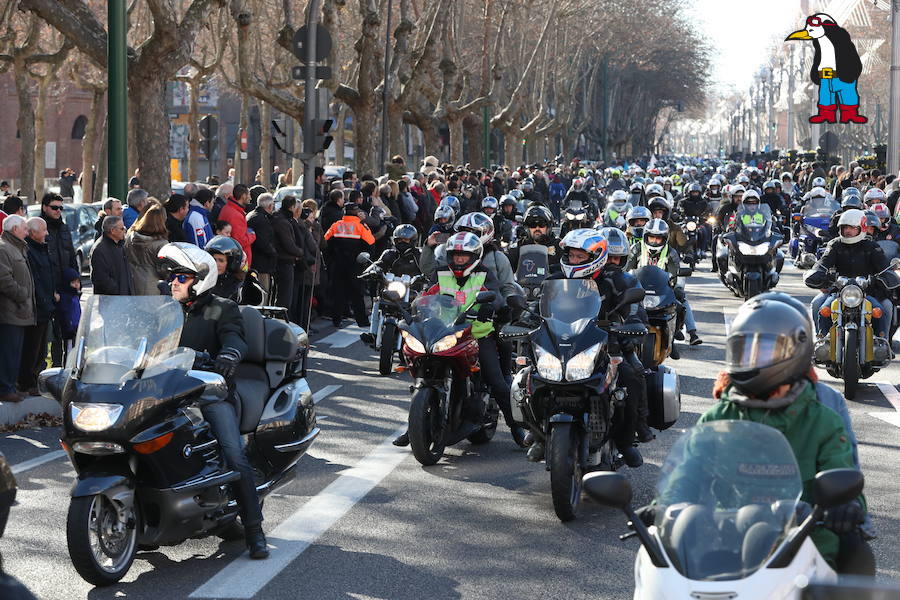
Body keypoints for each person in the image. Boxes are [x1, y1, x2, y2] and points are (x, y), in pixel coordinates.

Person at [678, 297, 874, 575]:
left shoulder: (822, 421)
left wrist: (846, 507)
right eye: (745, 350)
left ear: (796, 352)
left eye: (764, 350)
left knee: (856, 554)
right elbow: (687, 475)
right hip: (723, 546)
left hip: (806, 549)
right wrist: (662, 508)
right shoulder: (719, 417)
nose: (751, 360)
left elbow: (842, 472)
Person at [156, 242, 269, 559]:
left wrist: (230, 354)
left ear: (200, 280)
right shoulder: (166, 309)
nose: (173, 282)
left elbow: (235, 335)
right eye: (173, 276)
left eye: (181, 277)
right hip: (165, 393)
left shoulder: (222, 307)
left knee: (234, 454)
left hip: (209, 392)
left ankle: (253, 530)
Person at [393, 232, 525, 448]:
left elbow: (495, 296)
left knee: (496, 381)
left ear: (474, 257)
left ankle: (517, 429)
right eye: (455, 256)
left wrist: (492, 307)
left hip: (477, 334)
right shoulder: (442, 272)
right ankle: (414, 427)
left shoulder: (484, 274)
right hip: (446, 332)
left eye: (464, 256)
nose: (459, 260)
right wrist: (415, 305)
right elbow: (429, 293)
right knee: (422, 371)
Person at [542, 228, 644, 467]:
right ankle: (536, 431)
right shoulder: (555, 279)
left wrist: (632, 325)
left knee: (632, 376)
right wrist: (524, 320)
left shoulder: (617, 279)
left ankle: (629, 439)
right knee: (530, 375)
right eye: (571, 256)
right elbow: (536, 306)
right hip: (564, 342)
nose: (574, 261)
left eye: (580, 257)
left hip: (609, 342)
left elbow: (636, 310)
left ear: (596, 256)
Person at [805, 209, 894, 340]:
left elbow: (884, 267)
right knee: (820, 306)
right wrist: (817, 273)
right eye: (845, 227)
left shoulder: (871, 246)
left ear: (861, 228)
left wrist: (884, 277)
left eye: (852, 227)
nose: (847, 231)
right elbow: (823, 262)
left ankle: (882, 341)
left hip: (867, 292)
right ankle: (822, 340)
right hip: (839, 291)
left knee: (884, 308)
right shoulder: (835, 245)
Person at [626, 218, 702, 351]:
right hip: (638, 290)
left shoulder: (671, 253)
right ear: (645, 237)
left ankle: (691, 333)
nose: (654, 241)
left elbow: (676, 273)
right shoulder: (636, 249)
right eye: (651, 238)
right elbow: (627, 270)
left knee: (681, 300)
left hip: (662, 290)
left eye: (658, 238)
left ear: (665, 238)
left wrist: (677, 287)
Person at [17, 218, 54, 396]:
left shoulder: (42, 248)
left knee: (40, 348)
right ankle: (27, 381)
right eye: (43, 230)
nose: (47, 234)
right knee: (32, 347)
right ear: (33, 233)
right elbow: (35, 279)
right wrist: (44, 300)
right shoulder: (30, 251)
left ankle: (35, 379)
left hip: (45, 305)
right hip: (38, 306)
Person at [323, 203, 374, 328]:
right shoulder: (361, 226)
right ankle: (362, 321)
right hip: (355, 265)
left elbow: (325, 242)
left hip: (337, 264)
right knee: (357, 293)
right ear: (356, 213)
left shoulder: (336, 225)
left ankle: (337, 320)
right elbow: (371, 243)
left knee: (338, 292)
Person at [0, 216, 34, 403]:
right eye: (24, 228)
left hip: (19, 312)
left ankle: (11, 386)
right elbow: (4, 279)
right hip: (9, 311)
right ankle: (5, 388)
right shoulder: (4, 248)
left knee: (15, 353)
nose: (27, 232)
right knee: (8, 352)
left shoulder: (16, 248)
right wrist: (22, 294)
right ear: (14, 229)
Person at [125, 201, 169, 295]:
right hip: (153, 288)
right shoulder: (162, 244)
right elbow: (164, 271)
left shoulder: (130, 237)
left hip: (131, 283)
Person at [272, 196, 305, 319]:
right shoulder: (283, 221)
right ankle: (282, 322)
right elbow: (288, 244)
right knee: (285, 298)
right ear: (291, 207)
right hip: (284, 262)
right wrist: (300, 252)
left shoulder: (281, 219)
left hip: (283, 260)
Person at [507, 205, 561, 272]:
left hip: (551, 282)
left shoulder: (559, 246)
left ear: (548, 227)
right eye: (532, 225)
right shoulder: (518, 247)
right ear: (527, 228)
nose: (537, 228)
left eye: (541, 224)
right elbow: (506, 270)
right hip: (524, 282)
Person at [90, 216, 133, 296]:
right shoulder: (99, 250)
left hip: (125, 298)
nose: (125, 230)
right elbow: (102, 279)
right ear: (112, 231)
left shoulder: (121, 244)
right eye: (122, 228)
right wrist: (117, 291)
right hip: (111, 300)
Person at [246, 193, 277, 296]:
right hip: (261, 264)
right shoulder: (262, 219)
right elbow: (263, 243)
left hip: (256, 261)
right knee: (262, 293)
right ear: (270, 206)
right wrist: (274, 253)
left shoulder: (253, 215)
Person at [219, 184, 256, 267]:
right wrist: (252, 235)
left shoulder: (229, 208)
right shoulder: (235, 214)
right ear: (243, 196)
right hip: (239, 261)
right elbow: (240, 240)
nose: (250, 198)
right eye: (249, 194)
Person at [54, 268, 82, 364]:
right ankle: (67, 367)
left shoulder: (75, 296)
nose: (76, 285)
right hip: (69, 330)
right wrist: (69, 327)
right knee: (69, 352)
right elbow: (65, 313)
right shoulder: (65, 297)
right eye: (73, 282)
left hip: (76, 328)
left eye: (77, 282)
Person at [206, 235, 245, 301]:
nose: (216, 264)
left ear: (231, 263)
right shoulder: (203, 281)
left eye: (221, 260)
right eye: (214, 259)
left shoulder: (238, 286)